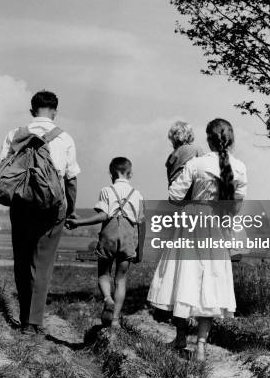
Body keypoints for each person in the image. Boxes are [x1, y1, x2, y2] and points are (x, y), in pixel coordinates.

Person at [147, 118, 247, 361]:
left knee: (183, 278)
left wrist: (194, 200)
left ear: (208, 139)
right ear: (230, 139)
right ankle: (201, 344)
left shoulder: (196, 164)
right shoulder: (240, 167)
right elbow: (236, 205)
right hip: (218, 225)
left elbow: (174, 195)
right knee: (210, 282)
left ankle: (181, 337)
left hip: (192, 222)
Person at [0, 90, 80, 336]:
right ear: (55, 110)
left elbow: (1, 166)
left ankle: (23, 321)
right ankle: (35, 323)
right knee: (42, 265)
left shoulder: (15, 134)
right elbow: (72, 181)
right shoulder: (64, 138)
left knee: (22, 261)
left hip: (21, 204)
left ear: (32, 110)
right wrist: (70, 209)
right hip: (52, 208)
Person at [67, 157, 144, 329]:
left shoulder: (106, 190)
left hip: (109, 235)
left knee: (103, 274)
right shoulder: (137, 194)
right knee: (121, 280)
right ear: (130, 173)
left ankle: (108, 299)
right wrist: (140, 250)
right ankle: (115, 320)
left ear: (112, 173)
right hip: (128, 239)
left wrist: (79, 222)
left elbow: (103, 215)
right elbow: (141, 224)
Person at [165, 121, 204, 186]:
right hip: (191, 188)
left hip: (176, 189)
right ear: (190, 135)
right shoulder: (196, 149)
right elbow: (204, 168)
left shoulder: (172, 156)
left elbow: (170, 178)